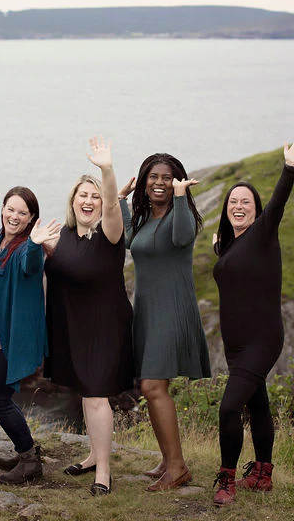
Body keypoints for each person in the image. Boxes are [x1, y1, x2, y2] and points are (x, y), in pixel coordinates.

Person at [209, 134, 294, 507]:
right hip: (236, 345)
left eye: (246, 202)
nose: (239, 206)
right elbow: (236, 270)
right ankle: (264, 474)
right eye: (233, 202)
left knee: (229, 408)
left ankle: (226, 479)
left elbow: (279, 204)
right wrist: (221, 250)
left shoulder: (264, 233)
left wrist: (290, 168)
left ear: (255, 209)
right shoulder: (231, 244)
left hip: (261, 340)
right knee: (258, 405)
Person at [42, 136, 135, 497]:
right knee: (85, 390)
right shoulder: (61, 236)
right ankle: (93, 454)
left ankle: (104, 471)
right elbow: (50, 267)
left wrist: (106, 170)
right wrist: (39, 246)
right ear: (72, 201)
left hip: (106, 326)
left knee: (96, 394)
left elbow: (114, 206)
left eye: (94, 196)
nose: (89, 201)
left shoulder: (110, 234)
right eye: (83, 195)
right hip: (72, 326)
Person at [120, 153, 211, 492]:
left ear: (175, 181)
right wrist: (121, 201)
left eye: (166, 177)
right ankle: (167, 458)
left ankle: (178, 467)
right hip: (147, 311)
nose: (158, 182)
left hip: (172, 309)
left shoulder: (179, 215)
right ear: (145, 181)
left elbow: (184, 238)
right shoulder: (146, 218)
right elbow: (130, 240)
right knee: (155, 387)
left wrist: (181, 196)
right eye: (153, 177)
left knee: (151, 388)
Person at [0, 187, 62, 484]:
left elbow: (28, 265)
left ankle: (29, 459)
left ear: (31, 219)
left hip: (11, 334)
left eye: (22, 213)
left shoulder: (26, 247)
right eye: (10, 209)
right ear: (2, 208)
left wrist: (35, 244)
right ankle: (25, 449)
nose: (14, 216)